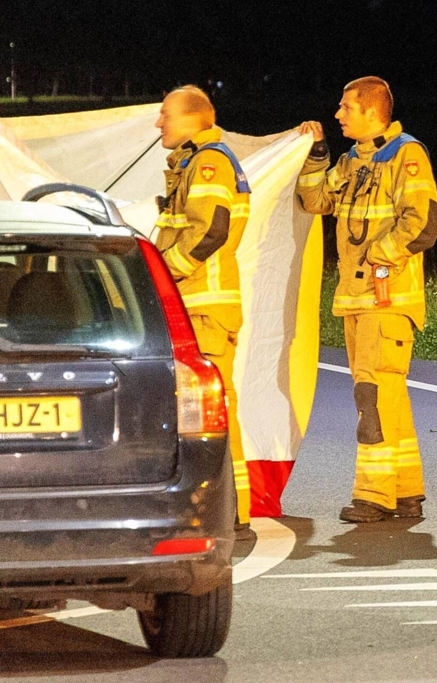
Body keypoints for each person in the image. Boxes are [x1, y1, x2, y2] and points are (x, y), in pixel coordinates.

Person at [296, 76, 437, 523]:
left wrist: (380, 255)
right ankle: (406, 491)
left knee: (372, 396)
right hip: (357, 300)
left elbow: (423, 224)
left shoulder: (406, 156)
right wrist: (316, 155)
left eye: (345, 108)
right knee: (388, 396)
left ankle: (373, 495)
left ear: (372, 111)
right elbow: (316, 201)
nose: (337, 114)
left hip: (388, 300)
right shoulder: (352, 160)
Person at [154, 85, 252, 528]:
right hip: (195, 310)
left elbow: (210, 230)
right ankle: (228, 510)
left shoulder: (209, 162)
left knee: (213, 413)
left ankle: (231, 512)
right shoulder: (192, 163)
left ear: (193, 119)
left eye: (166, 115)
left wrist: (163, 274)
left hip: (204, 308)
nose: (159, 123)